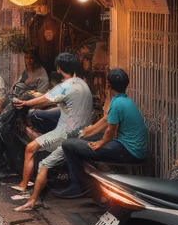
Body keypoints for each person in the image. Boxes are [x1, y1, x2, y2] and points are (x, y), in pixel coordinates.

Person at [11, 52, 93, 212]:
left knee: (32, 149)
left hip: (67, 134)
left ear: (59, 69)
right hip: (82, 130)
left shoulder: (65, 86)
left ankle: (29, 194)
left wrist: (25, 103)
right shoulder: (82, 83)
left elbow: (44, 100)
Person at [55, 68, 148, 199]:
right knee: (79, 139)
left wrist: (100, 143)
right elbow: (106, 120)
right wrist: (86, 132)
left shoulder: (117, 104)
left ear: (108, 86)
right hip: (128, 146)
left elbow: (110, 132)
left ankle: (77, 186)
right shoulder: (124, 100)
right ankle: (89, 182)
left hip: (129, 152)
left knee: (68, 145)